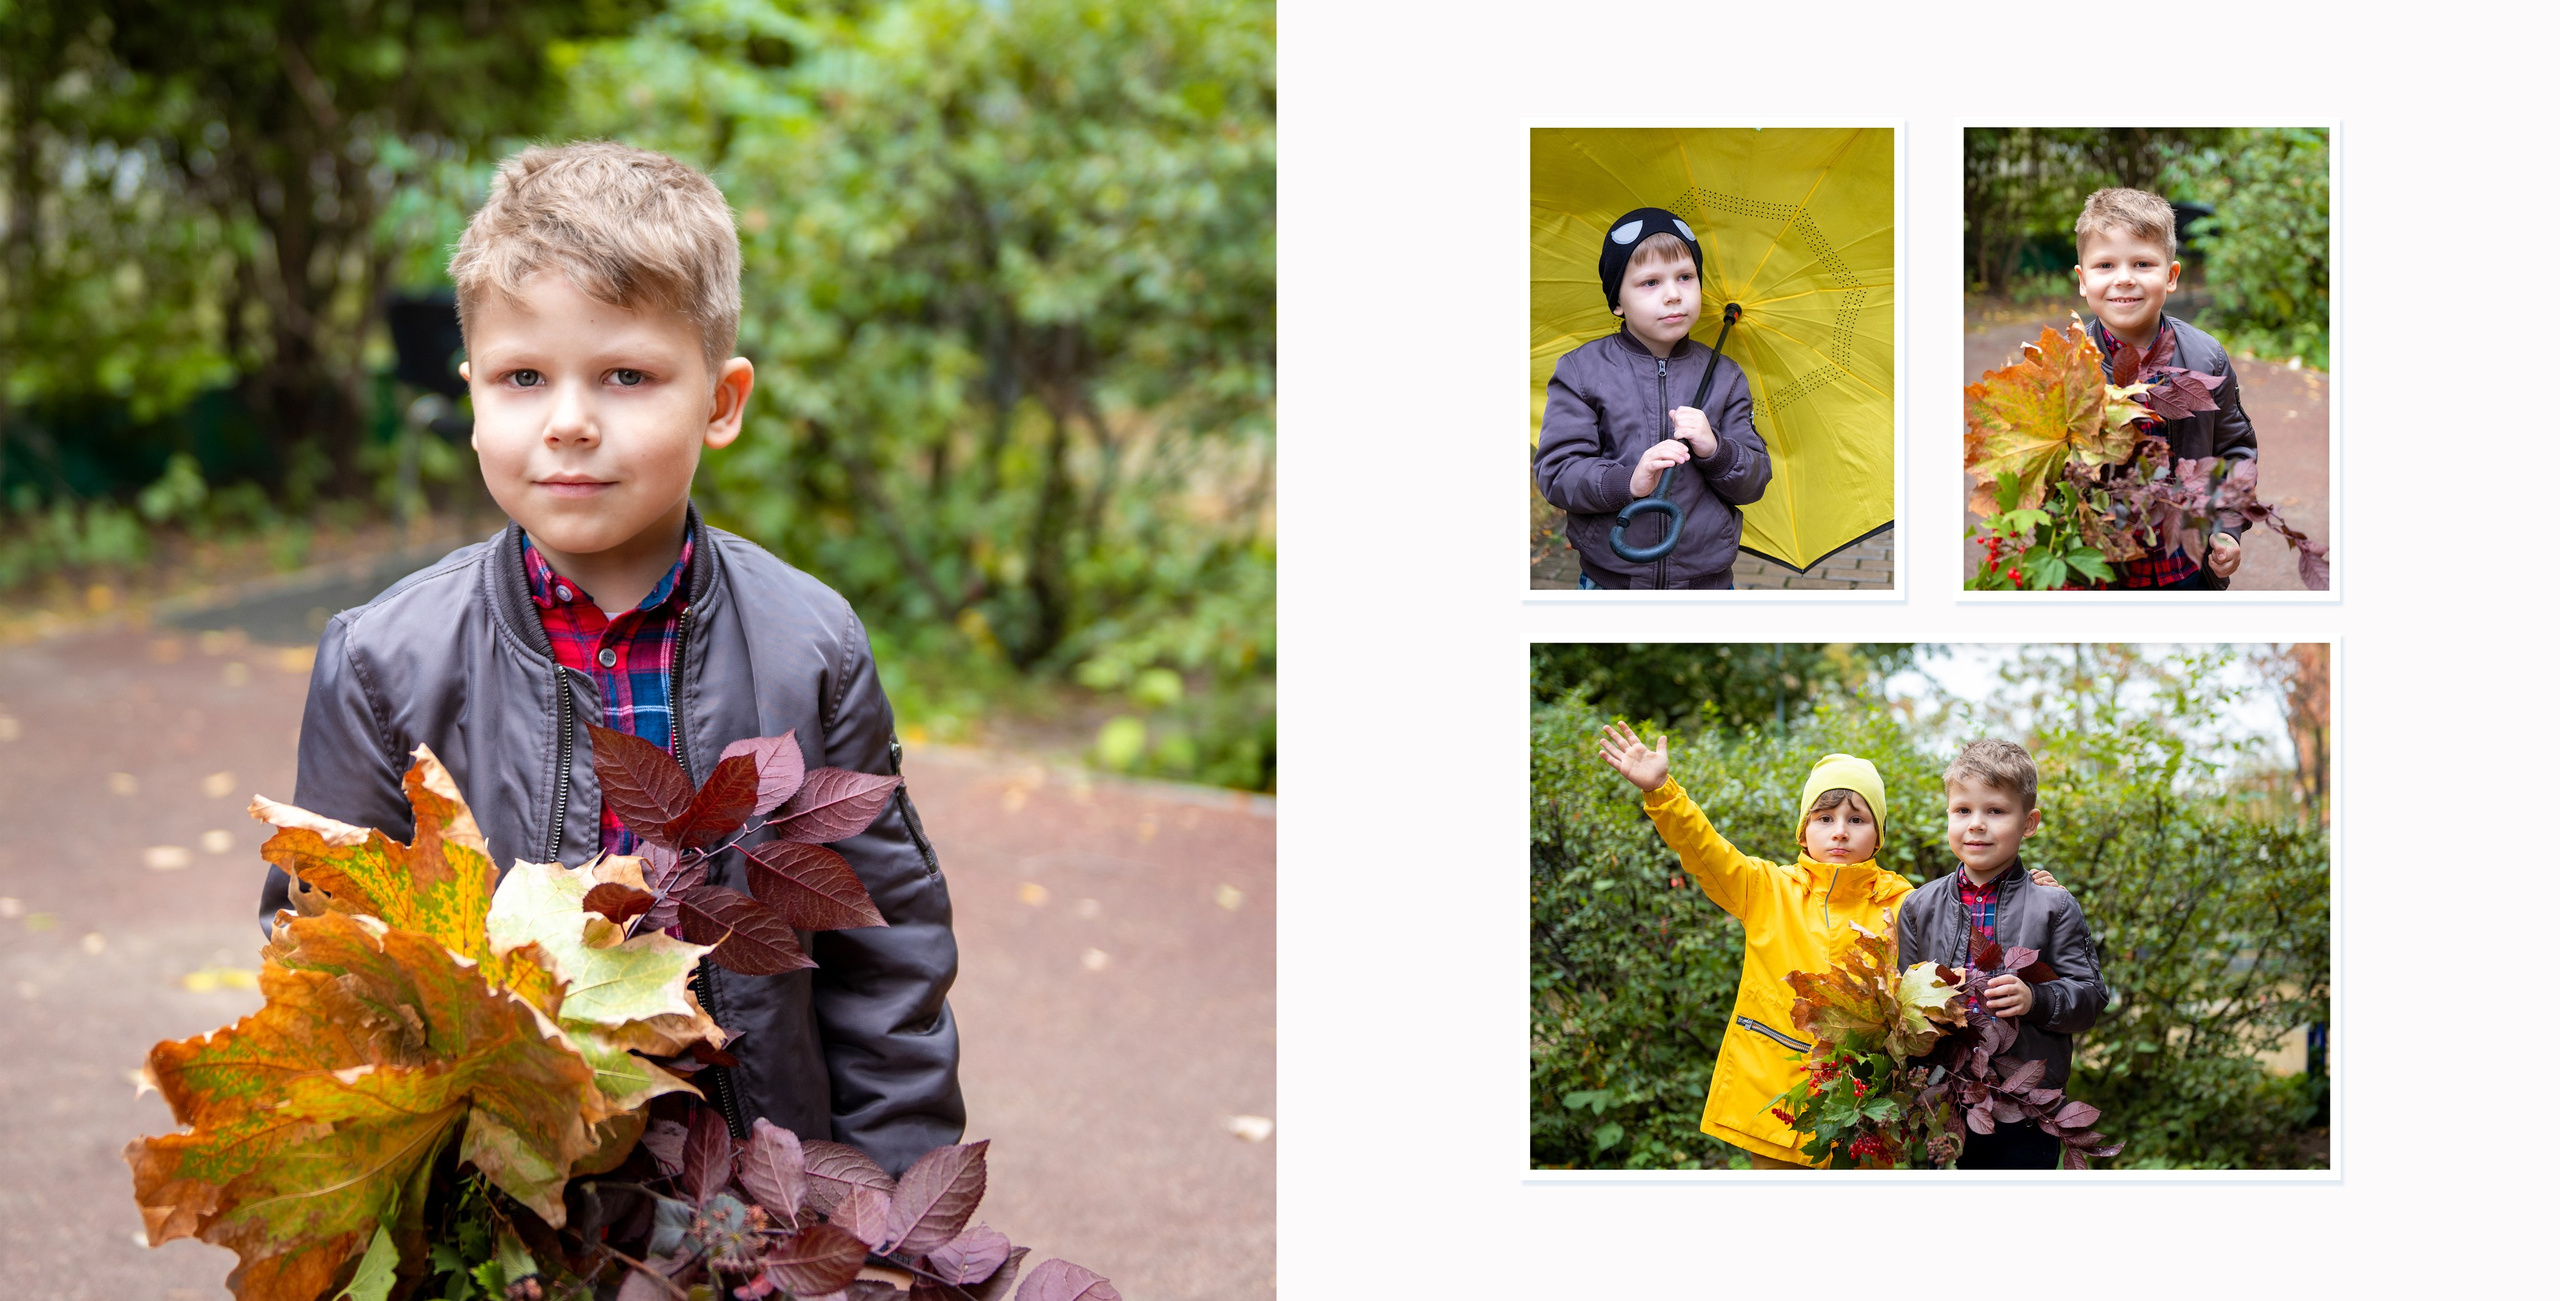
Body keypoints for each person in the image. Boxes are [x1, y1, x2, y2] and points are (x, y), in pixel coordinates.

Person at [256, 142, 961, 1175]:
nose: (570, 421)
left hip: (755, 1201)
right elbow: (324, 960)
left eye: (626, 375)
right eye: (523, 377)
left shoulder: (811, 646)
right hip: (493, 1203)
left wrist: (890, 1220)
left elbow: (884, 959)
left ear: (720, 402)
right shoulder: (383, 660)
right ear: (472, 395)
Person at [1596, 724, 2057, 1168]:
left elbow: (1967, 942)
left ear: (1877, 836)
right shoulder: (1765, 889)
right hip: (1775, 1095)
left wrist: (2028, 891)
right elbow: (1704, 849)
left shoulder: (1905, 902)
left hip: (1869, 1103)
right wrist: (1662, 792)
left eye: (1857, 820)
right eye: (1825, 818)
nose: (1839, 831)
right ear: (1803, 830)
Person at [1896, 739, 2107, 1169]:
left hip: (2025, 1107)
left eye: (1995, 811)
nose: (1976, 824)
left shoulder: (2054, 906)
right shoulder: (1919, 907)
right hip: (1941, 1099)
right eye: (1963, 810)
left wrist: (2037, 999)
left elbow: (2089, 998)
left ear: (2028, 823)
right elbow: (1901, 1002)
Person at [1534, 208, 1771, 590]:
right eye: (1650, 283)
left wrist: (1716, 449)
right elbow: (1558, 474)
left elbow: (1754, 481)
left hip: (1706, 585)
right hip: (1612, 582)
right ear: (1617, 301)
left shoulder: (1725, 376)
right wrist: (1629, 481)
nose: (1674, 294)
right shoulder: (1582, 371)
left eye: (1685, 276)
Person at [2072, 186, 2260, 590]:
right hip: (2102, 570)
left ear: (2171, 276)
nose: (2124, 279)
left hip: (2185, 565)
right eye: (2105, 265)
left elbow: (2234, 449)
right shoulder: (2066, 365)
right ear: (2082, 280)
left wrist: (2227, 527)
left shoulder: (2206, 357)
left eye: (2142, 263)